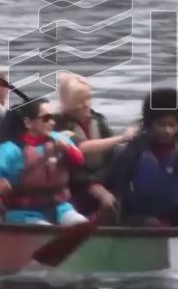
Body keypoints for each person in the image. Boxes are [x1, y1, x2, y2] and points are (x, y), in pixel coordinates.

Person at [0, 99, 89, 226]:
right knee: (47, 231)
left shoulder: (60, 139)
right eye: (46, 118)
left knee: (83, 226)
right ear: (28, 123)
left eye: (53, 117)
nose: (52, 122)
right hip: (23, 212)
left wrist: (68, 150)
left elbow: (79, 160)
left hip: (60, 208)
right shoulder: (9, 150)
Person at [106, 89, 178, 226]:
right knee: (152, 224)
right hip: (140, 216)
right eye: (161, 124)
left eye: (172, 125)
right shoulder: (134, 150)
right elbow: (117, 187)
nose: (167, 131)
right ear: (150, 124)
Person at [53, 73, 137, 222]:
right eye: (80, 101)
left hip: (101, 176)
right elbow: (81, 147)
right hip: (77, 183)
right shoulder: (60, 125)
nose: (86, 104)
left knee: (123, 153)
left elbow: (111, 149)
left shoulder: (98, 120)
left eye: (88, 98)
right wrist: (122, 137)